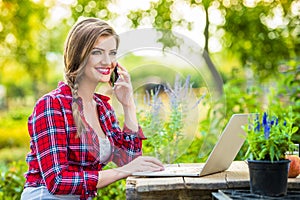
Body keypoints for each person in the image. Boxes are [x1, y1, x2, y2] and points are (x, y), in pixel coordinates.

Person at [21, 17, 164, 200]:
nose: (107, 61)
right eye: (97, 52)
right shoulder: (51, 105)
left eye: (112, 53)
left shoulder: (103, 109)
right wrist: (122, 171)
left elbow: (130, 159)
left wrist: (128, 105)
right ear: (78, 55)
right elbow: (57, 181)